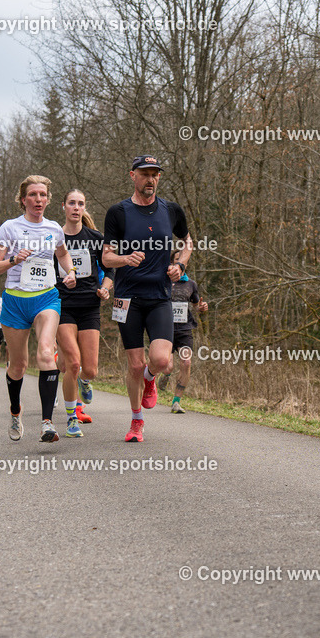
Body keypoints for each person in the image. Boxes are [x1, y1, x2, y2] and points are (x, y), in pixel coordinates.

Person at [101, 155, 192, 442]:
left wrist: (180, 266)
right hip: (127, 298)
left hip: (159, 296)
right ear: (133, 176)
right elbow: (106, 257)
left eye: (155, 174)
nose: (150, 179)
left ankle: (150, 379)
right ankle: (136, 421)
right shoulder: (118, 212)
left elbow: (188, 243)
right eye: (145, 174)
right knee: (134, 365)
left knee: (161, 359)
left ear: (159, 177)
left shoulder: (171, 210)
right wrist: (125, 258)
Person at [0, 175, 77, 442]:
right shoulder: (9, 228)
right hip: (15, 301)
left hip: (46, 298)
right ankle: (16, 410)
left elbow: (62, 254)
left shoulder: (54, 229)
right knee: (18, 366)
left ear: (48, 200)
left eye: (43, 195)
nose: (38, 199)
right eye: (33, 195)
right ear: (23, 199)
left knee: (46, 353)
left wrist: (70, 271)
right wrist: (13, 260)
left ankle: (47, 423)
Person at [55, 189, 113, 437]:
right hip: (62, 306)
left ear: (84, 208)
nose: (76, 207)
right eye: (72, 203)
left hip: (90, 306)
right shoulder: (54, 237)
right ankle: (71, 418)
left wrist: (105, 288)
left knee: (90, 370)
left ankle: (84, 380)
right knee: (73, 364)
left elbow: (110, 270)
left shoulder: (95, 238)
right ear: (63, 206)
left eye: (80, 204)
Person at [158, 251, 209, 413]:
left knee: (186, 362)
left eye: (182, 261)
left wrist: (201, 308)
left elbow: (196, 305)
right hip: (165, 329)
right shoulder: (162, 281)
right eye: (176, 260)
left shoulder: (191, 284)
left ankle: (176, 402)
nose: (179, 263)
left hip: (184, 330)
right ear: (171, 263)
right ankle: (165, 376)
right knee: (167, 366)